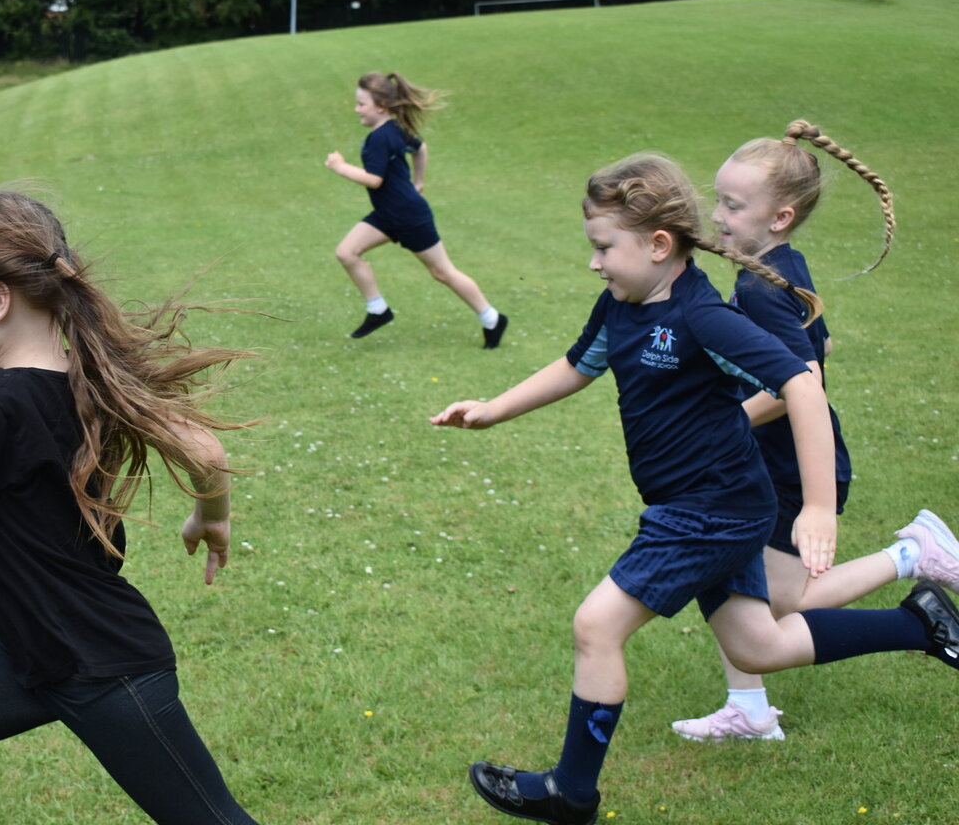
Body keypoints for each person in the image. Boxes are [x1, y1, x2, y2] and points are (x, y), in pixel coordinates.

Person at [429, 154, 959, 825]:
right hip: (716, 503)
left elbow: (802, 382)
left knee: (596, 626)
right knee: (755, 647)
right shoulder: (619, 305)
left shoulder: (702, 317)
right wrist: (494, 407)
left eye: (603, 248)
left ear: (657, 246)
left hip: (709, 510)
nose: (594, 263)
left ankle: (572, 793)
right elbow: (577, 365)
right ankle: (920, 623)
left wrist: (820, 505)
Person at [0, 189, 262, 824]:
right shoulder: (83, 372)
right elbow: (206, 450)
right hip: (34, 648)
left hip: (103, 666)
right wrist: (211, 516)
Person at [672, 119, 957, 742]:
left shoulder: (760, 288)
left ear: (780, 218)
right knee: (726, 574)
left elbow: (800, 382)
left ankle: (915, 554)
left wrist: (724, 423)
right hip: (767, 460)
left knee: (787, 599)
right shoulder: (774, 267)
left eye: (733, 204)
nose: (717, 214)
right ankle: (746, 708)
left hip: (791, 465)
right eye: (717, 198)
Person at [324, 71, 507, 345]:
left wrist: (340, 167)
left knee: (443, 272)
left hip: (408, 216)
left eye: (361, 104)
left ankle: (492, 318)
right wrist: (417, 182)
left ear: (380, 106)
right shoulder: (395, 129)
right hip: (388, 214)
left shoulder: (380, 138)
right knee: (347, 252)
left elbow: (375, 180)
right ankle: (378, 310)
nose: (356, 109)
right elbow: (421, 149)